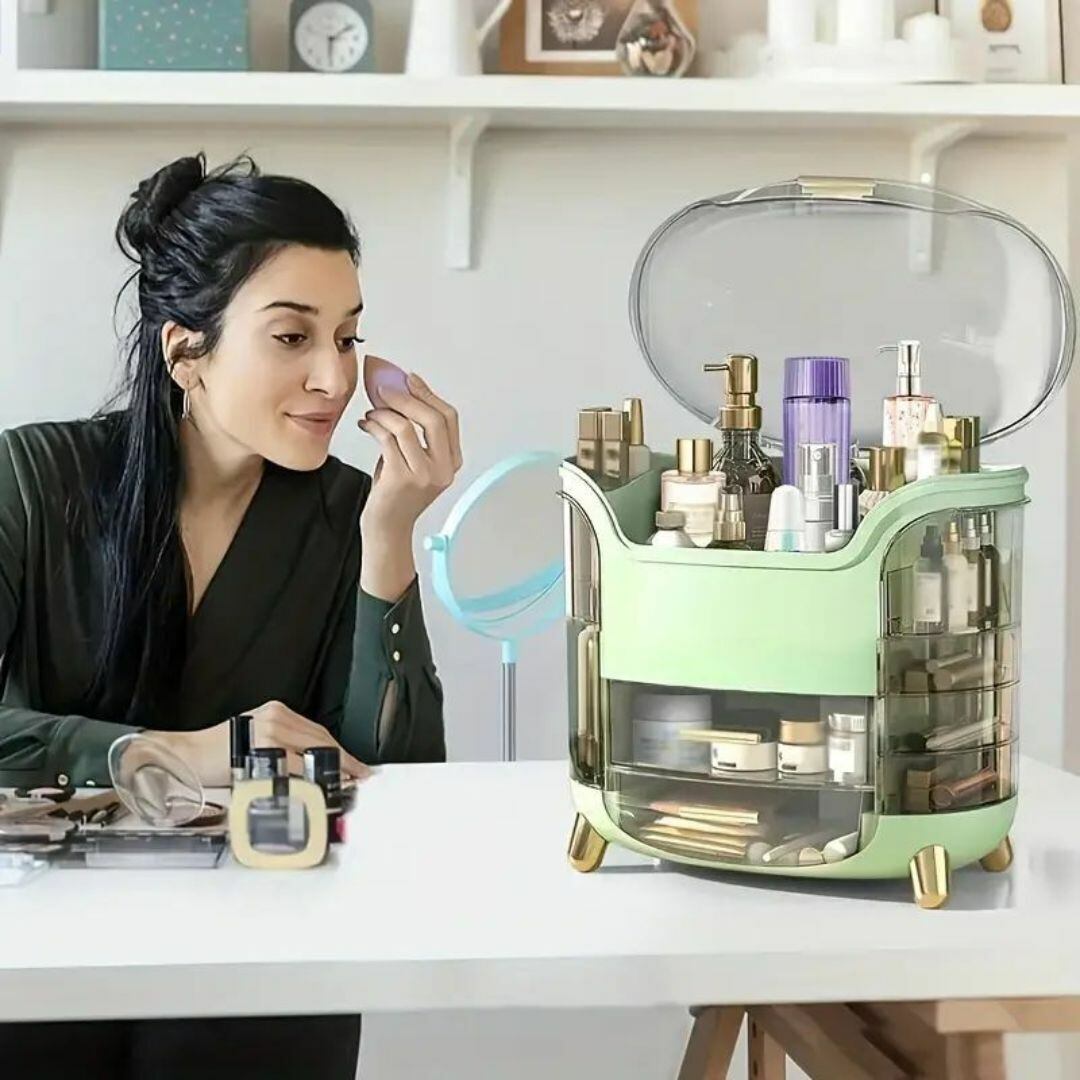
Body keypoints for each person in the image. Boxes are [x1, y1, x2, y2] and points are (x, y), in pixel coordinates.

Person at [0, 152, 461, 1079]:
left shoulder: (348, 515)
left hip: (267, 963)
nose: (334, 377)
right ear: (185, 351)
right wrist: (179, 752)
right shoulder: (34, 481)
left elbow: (400, 787)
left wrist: (389, 541)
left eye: (348, 337)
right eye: (292, 336)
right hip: (42, 953)